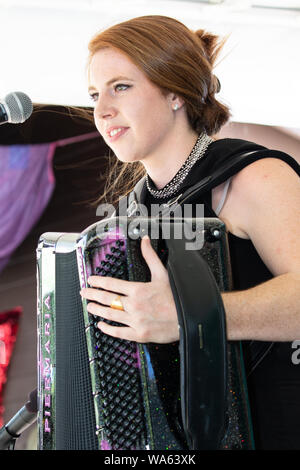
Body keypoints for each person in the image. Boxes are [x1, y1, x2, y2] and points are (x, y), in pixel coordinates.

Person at [79, 15, 300, 449]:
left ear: (175, 92)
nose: (101, 109)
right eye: (93, 94)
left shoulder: (253, 176)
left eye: (120, 86)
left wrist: (190, 317)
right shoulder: (128, 217)